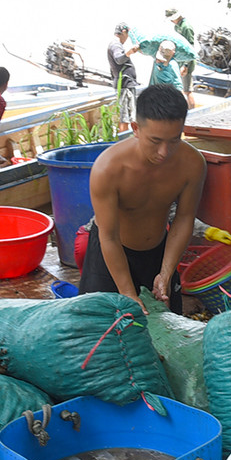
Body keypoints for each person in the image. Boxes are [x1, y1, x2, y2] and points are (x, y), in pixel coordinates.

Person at [79, 84, 204, 314]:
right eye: (155, 141)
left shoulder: (193, 164)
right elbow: (109, 236)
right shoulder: (108, 169)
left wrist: (166, 272)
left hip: (159, 253)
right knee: (102, 329)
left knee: (165, 327)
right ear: (136, 128)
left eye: (174, 140)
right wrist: (127, 292)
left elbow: (184, 218)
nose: (164, 152)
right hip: (111, 253)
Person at [108, 22, 140, 133]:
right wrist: (129, 52)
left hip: (124, 83)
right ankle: (125, 142)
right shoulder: (116, 45)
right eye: (127, 34)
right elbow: (118, 59)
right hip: (125, 85)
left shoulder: (114, 44)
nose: (127, 38)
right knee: (125, 117)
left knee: (128, 116)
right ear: (124, 32)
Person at [165, 7, 197, 108]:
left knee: (187, 90)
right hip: (179, 60)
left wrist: (186, 65)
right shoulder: (177, 27)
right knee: (180, 88)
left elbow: (190, 46)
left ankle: (193, 112)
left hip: (186, 62)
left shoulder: (186, 27)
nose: (171, 21)